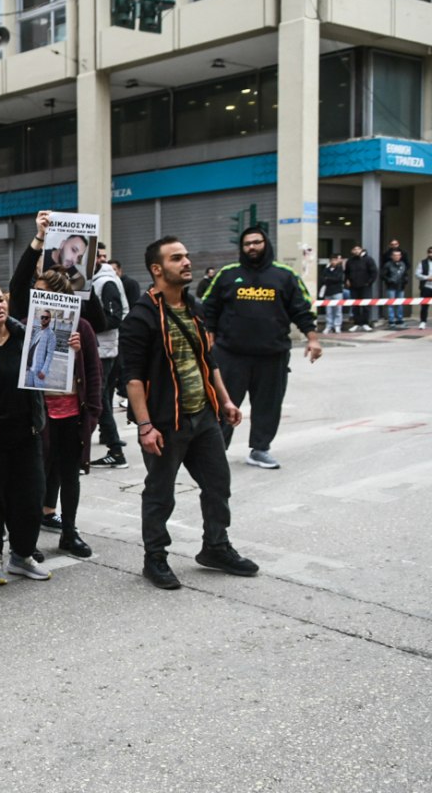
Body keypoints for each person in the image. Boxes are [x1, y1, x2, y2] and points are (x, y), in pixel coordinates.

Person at [121, 236, 259, 589]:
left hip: (204, 417)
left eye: (186, 255)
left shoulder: (194, 306)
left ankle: (215, 546)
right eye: (177, 258)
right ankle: (155, 558)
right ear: (157, 269)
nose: (187, 262)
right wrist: (145, 426)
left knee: (218, 485)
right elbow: (132, 378)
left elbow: (207, 360)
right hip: (166, 424)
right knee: (160, 493)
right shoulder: (141, 317)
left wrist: (226, 401)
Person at [202, 226, 321, 470]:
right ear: (242, 248)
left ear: (265, 244)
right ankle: (216, 450)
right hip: (230, 354)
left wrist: (312, 338)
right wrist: (208, 335)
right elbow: (208, 308)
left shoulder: (284, 275)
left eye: (256, 242)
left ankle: (260, 450)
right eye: (247, 244)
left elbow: (302, 309)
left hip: (272, 355)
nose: (252, 247)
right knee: (223, 403)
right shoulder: (227, 274)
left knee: (268, 405)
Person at [0, 282, 49, 585]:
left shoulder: (24, 337)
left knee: (30, 497)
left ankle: (22, 555)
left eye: (0, 299)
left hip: (26, 433)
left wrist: (68, 351)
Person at [37, 269, 102, 559]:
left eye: (43, 291)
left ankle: (70, 531)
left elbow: (94, 372)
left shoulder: (82, 327)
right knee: (36, 477)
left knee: (70, 476)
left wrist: (93, 415)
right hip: (40, 416)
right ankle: (25, 539)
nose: (37, 296)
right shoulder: (28, 324)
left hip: (72, 414)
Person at [91, 249, 130, 469]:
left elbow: (114, 317)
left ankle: (115, 450)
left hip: (103, 350)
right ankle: (109, 438)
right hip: (103, 349)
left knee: (100, 399)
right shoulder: (96, 281)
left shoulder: (105, 282)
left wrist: (87, 326)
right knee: (103, 396)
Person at [345, 245, 377, 332]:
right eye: (354, 249)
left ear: (361, 249)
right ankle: (357, 323)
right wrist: (347, 280)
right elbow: (347, 272)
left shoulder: (368, 259)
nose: (356, 251)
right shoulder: (350, 261)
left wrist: (368, 283)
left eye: (358, 249)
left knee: (366, 305)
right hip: (354, 286)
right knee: (355, 306)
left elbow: (374, 272)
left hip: (365, 286)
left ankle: (366, 323)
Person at [381, 248, 410, 329]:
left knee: (400, 303)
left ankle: (400, 319)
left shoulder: (402, 264)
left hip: (401, 286)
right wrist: (389, 280)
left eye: (398, 255)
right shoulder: (388, 265)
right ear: (392, 256)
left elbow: (405, 274)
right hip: (391, 287)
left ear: (400, 256)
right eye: (395, 255)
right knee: (391, 304)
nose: (397, 257)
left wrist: (405, 281)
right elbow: (383, 275)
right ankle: (391, 320)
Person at [26, 310, 56, 388]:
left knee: (39, 394)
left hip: (39, 371)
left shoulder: (51, 334)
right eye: (42, 317)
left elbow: (50, 354)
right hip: (30, 369)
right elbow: (31, 348)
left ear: (50, 319)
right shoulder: (38, 332)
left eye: (46, 318)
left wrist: (44, 371)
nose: (43, 319)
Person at [320, 254, 347, 334]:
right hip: (328, 292)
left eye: (335, 260)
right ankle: (329, 326)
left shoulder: (340, 269)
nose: (333, 262)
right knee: (328, 310)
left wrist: (328, 279)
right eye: (332, 260)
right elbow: (322, 279)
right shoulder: (326, 269)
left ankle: (337, 326)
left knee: (338, 309)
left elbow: (338, 279)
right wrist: (329, 279)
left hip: (337, 291)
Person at [417, 247, 432, 330]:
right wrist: (427, 277)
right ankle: (423, 322)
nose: (431, 254)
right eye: (430, 252)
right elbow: (417, 274)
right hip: (426, 287)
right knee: (424, 306)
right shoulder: (422, 263)